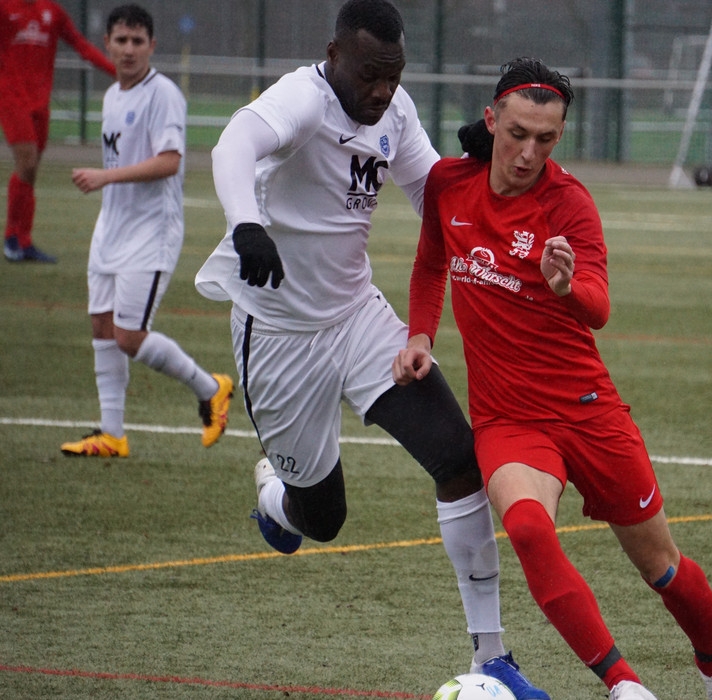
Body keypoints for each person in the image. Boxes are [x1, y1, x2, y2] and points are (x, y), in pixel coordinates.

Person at [193, 2, 546, 697]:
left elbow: (432, 193)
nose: (382, 90)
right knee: (322, 519)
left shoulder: (395, 109)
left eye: (394, 75)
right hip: (280, 338)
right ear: (334, 55)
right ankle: (275, 497)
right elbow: (232, 144)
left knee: (459, 458)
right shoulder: (303, 97)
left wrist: (478, 169)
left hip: (359, 321)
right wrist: (246, 226)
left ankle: (492, 656)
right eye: (370, 75)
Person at [392, 57, 712, 700]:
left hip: (590, 413)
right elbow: (429, 264)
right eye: (518, 134)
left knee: (663, 568)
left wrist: (565, 288)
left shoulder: (569, 204)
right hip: (510, 421)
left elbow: (599, 306)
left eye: (546, 139)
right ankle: (623, 685)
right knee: (529, 528)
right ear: (491, 120)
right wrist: (420, 333)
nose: (528, 152)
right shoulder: (449, 185)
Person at [60, 4, 232, 458]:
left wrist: (103, 177)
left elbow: (170, 161)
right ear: (108, 45)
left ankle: (211, 387)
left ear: (152, 46)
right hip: (110, 229)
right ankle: (112, 435)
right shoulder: (113, 95)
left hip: (151, 233)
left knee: (129, 337)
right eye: (121, 40)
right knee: (102, 326)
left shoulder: (164, 95)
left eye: (138, 41)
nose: (129, 49)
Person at [0, 0, 116, 263]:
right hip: (10, 98)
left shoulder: (51, 12)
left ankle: (22, 240)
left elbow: (81, 46)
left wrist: (116, 71)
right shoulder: (5, 8)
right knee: (26, 162)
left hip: (40, 102)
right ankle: (12, 239)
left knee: (31, 169)